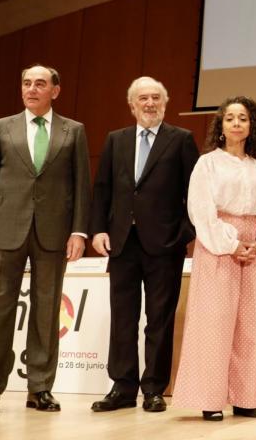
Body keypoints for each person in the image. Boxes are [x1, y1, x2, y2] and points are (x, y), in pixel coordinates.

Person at [0, 64, 91, 415]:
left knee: (46, 312)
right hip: (5, 230)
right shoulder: (1, 127)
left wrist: (79, 231)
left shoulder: (74, 131)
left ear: (55, 90)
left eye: (40, 83)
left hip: (53, 232)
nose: (32, 89)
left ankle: (40, 388)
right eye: (26, 83)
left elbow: (81, 185)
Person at [88, 77, 199, 413]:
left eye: (155, 98)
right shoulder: (116, 140)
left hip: (165, 245)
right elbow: (103, 189)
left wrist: (183, 234)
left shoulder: (181, 140)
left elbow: (195, 193)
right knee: (123, 317)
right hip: (121, 243)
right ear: (131, 104)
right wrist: (97, 231)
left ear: (164, 103)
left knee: (159, 319)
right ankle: (122, 387)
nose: (149, 104)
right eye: (143, 99)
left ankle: (153, 387)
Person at [171, 96, 256, 420]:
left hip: (255, 253)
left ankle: (249, 398)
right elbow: (201, 210)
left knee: (253, 326)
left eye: (243, 118)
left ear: (253, 126)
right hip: (219, 249)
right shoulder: (208, 164)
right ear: (220, 126)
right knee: (214, 323)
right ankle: (210, 399)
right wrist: (229, 243)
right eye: (230, 118)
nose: (236, 123)